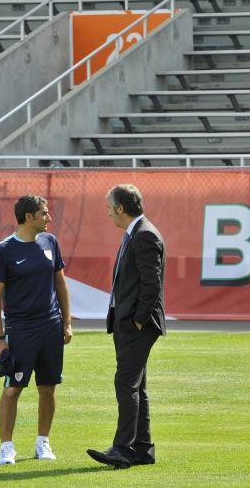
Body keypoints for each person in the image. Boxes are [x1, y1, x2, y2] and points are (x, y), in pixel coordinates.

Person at [0, 195, 73, 465]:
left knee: (48, 388)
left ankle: (42, 443)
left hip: (51, 326)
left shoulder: (51, 242)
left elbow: (60, 284)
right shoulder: (4, 250)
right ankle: (6, 447)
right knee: (13, 389)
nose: (49, 218)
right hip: (21, 330)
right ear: (28, 217)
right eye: (44, 213)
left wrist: (67, 322)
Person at [87, 184, 166, 469]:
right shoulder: (137, 233)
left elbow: (152, 283)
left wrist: (138, 319)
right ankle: (143, 449)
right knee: (136, 386)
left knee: (125, 382)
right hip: (131, 323)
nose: (108, 213)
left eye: (109, 207)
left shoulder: (144, 235)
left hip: (138, 325)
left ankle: (122, 449)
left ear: (120, 208)